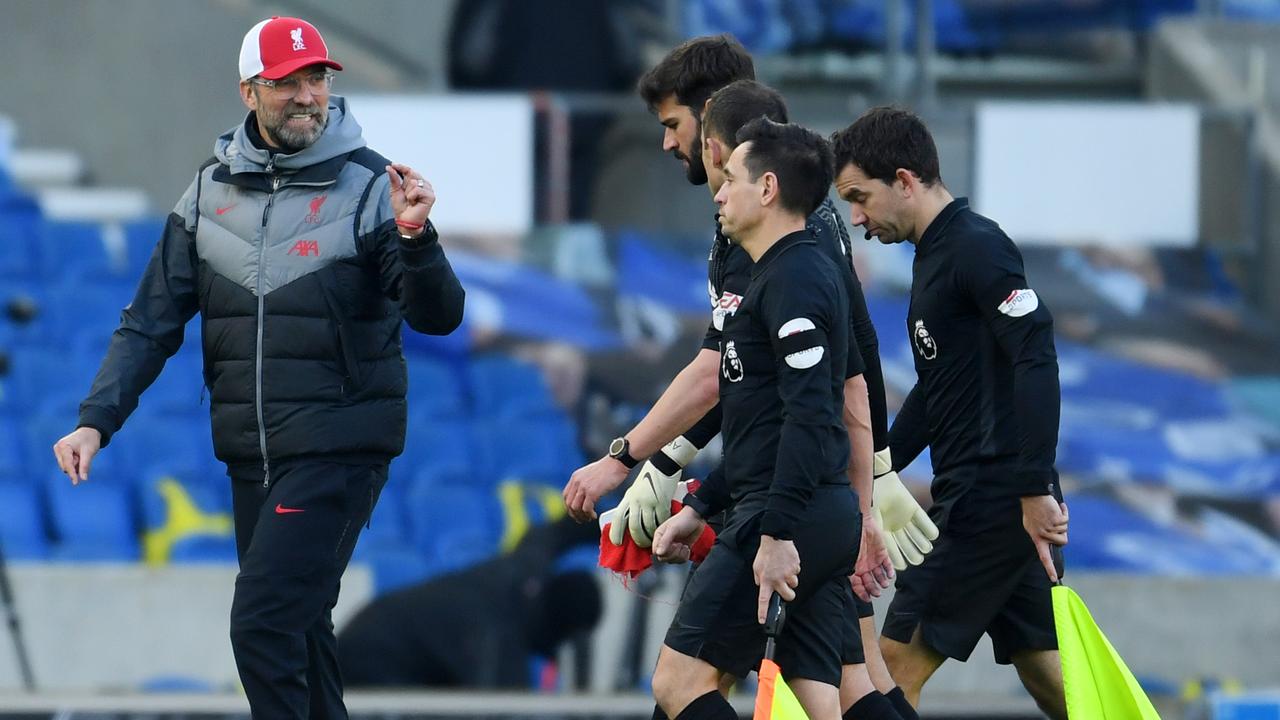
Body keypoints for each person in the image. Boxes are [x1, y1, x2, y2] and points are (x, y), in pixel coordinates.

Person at [51, 16, 465, 719]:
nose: (308, 96)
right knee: (301, 634)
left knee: (263, 624)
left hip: (339, 449)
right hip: (254, 457)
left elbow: (438, 316)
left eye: (318, 78)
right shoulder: (207, 192)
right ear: (249, 92)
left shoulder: (373, 187)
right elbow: (150, 322)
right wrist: (96, 421)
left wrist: (416, 238)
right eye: (288, 83)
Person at [563, 36, 921, 720]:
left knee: (681, 682)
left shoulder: (783, 253)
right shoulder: (792, 236)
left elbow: (748, 382)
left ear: (714, 126)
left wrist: (634, 459)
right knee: (845, 688)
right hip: (808, 495)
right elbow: (792, 372)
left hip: (787, 502)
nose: (670, 147)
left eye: (674, 126)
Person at [830, 107, 1069, 719]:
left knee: (886, 676)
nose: (856, 218)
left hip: (992, 500)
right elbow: (942, 392)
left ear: (905, 181)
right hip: (991, 499)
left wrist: (1035, 485)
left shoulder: (977, 247)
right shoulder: (933, 257)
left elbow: (1036, 354)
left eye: (861, 197)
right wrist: (876, 467)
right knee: (1055, 682)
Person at [648, 118, 857, 720]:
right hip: (798, 511)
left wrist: (776, 534)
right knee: (823, 702)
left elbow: (812, 416)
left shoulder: (796, 277)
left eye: (731, 179)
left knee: (679, 682)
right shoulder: (773, 274)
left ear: (767, 189)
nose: (718, 192)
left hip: (786, 517)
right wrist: (701, 506)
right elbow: (758, 424)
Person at [338, 519, 602, 689]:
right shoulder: (497, 639)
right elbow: (499, 709)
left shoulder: (527, 566)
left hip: (365, 630)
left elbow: (558, 532)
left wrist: (613, 524)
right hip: (368, 665)